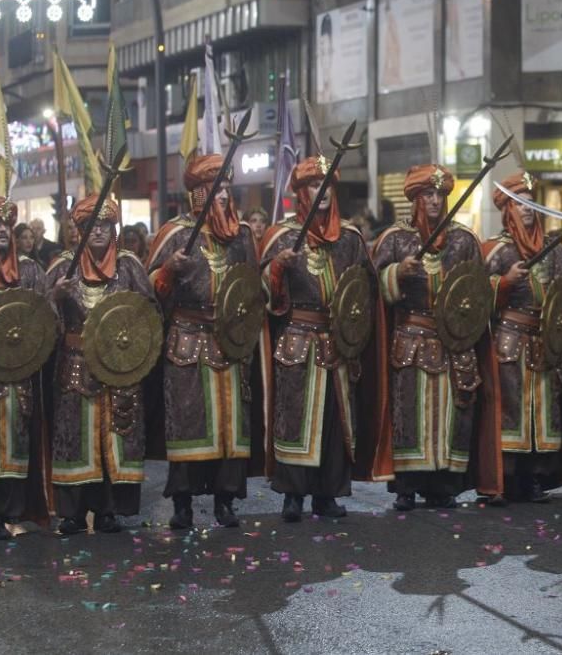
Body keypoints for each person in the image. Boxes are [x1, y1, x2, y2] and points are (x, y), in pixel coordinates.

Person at [260, 156, 392, 522]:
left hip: (337, 344)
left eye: (326, 185)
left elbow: (367, 288)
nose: (321, 193)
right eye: (313, 186)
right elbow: (256, 295)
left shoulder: (350, 238)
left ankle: (328, 494)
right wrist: (276, 271)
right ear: (301, 193)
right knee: (295, 420)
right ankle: (292, 495)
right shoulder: (280, 237)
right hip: (297, 343)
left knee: (335, 421)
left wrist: (356, 326)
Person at [371, 164, 501, 511]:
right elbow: (372, 286)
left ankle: (444, 485)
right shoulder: (395, 238)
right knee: (409, 413)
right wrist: (397, 273)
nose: (434, 201)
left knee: (452, 414)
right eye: (428, 194)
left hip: (454, 341)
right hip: (411, 340)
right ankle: (407, 487)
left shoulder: (464, 239)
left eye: (440, 194)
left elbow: (479, 287)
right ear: (415, 199)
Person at [147, 154, 263, 529]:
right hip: (187, 340)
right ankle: (182, 503)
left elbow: (252, 283)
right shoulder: (175, 233)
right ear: (197, 195)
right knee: (187, 423)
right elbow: (149, 290)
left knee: (231, 427)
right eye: (215, 190)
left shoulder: (242, 235)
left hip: (229, 340)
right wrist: (168, 271)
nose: (224, 196)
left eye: (228, 189)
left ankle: (226, 500)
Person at [46, 196, 158, 535]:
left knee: (117, 436)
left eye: (105, 225)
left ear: (114, 229)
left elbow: (151, 311)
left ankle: (109, 510)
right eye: (91, 226)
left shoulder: (129, 266)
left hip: (120, 366)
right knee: (74, 436)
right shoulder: (62, 267)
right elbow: (38, 320)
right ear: (78, 230)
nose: (98, 231)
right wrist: (55, 297)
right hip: (75, 365)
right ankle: (73, 513)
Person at [482, 171, 562, 505]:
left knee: (542, 411)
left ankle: (534, 478)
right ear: (508, 210)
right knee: (512, 409)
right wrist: (503, 282)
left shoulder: (554, 248)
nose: (528, 208)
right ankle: (505, 478)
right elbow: (473, 299)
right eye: (520, 203)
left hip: (544, 340)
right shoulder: (496, 249)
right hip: (509, 339)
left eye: (531, 202)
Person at [0, 198, 47, 540]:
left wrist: (55, 296)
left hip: (16, 378)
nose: (0, 231)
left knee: (12, 447)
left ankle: (4, 514)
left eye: (5, 226)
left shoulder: (28, 271)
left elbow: (45, 318)